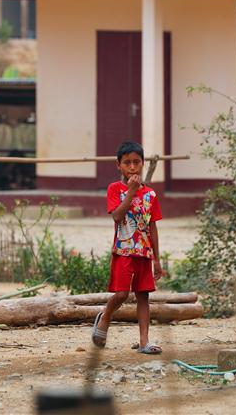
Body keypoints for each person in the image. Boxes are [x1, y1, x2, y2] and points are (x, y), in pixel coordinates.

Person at [91, 141, 165, 354]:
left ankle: (144, 342)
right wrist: (131, 192)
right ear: (119, 165)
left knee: (143, 296)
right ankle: (105, 316)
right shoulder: (115, 189)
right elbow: (117, 215)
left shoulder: (150, 195)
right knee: (122, 294)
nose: (132, 167)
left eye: (136, 162)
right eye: (127, 163)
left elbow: (153, 226)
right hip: (123, 251)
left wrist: (157, 259)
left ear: (142, 163)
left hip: (144, 252)